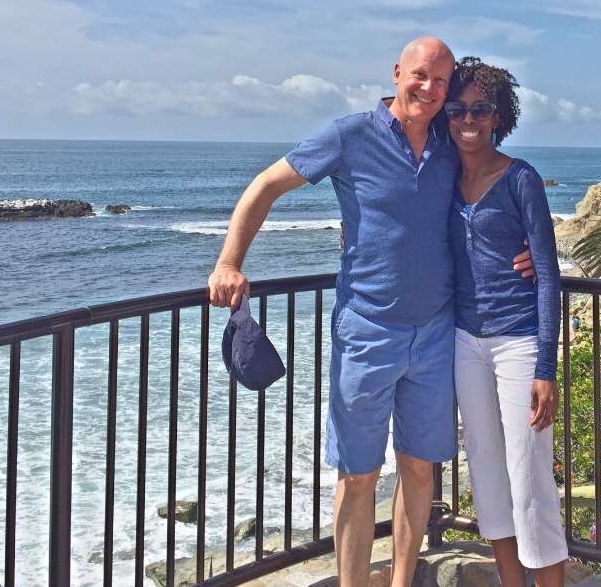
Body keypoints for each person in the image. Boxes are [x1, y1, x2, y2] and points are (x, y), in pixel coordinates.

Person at [207, 38, 532, 587]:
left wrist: (520, 246)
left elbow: (488, 188)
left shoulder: (449, 143)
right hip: (367, 331)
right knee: (358, 477)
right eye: (420, 77)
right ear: (397, 72)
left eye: (440, 83)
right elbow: (266, 185)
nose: (430, 91)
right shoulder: (350, 135)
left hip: (435, 333)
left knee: (418, 469)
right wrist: (229, 262)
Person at [446, 57, 568, 587]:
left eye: (481, 108)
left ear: (500, 115)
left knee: (529, 473)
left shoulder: (521, 179)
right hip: (463, 341)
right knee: (486, 469)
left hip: (518, 341)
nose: (468, 119)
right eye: (457, 108)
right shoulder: (442, 176)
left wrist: (546, 364)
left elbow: (548, 275)